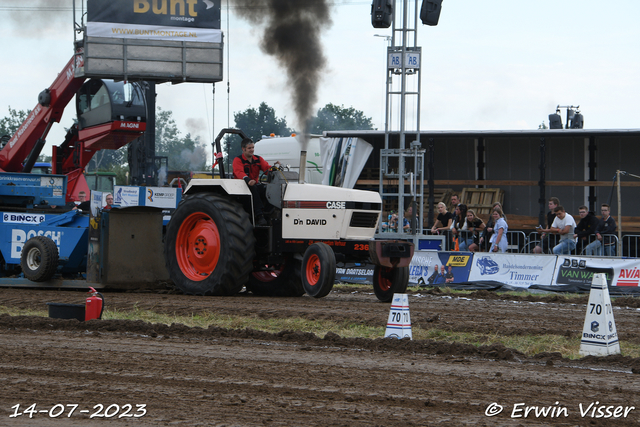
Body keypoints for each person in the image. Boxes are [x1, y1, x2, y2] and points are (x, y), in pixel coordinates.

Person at [232, 138, 280, 226]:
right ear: (243, 149)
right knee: (253, 188)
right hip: (241, 187)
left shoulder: (258, 159)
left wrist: (274, 168)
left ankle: (268, 212)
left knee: (267, 188)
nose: (252, 150)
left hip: (254, 184)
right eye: (249, 148)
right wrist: (247, 180)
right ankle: (259, 215)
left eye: (253, 147)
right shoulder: (238, 160)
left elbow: (266, 168)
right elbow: (239, 172)